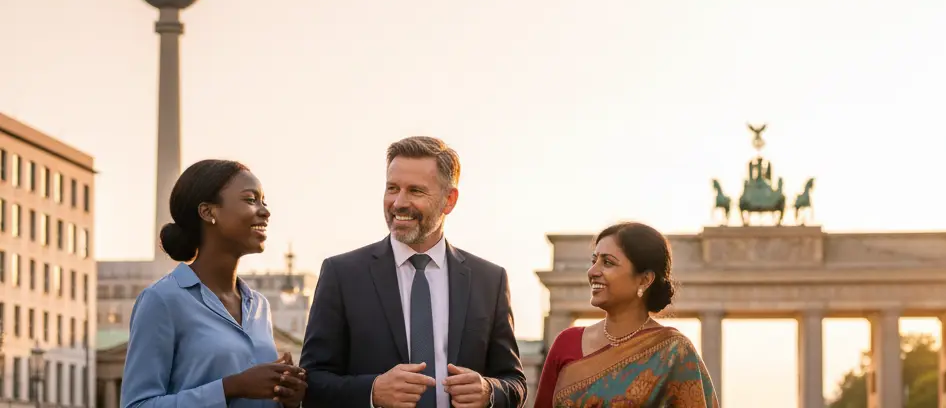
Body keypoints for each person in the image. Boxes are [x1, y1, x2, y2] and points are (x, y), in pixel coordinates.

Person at [300, 136, 527, 408]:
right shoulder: (342, 274)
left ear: (449, 200)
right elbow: (311, 382)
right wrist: (372, 392)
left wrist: (489, 392)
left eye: (415, 191)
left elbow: (515, 382)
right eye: (392, 188)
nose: (398, 203)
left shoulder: (489, 281)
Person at [121, 159, 307, 407]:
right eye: (250, 200)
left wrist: (287, 398)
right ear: (208, 212)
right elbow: (137, 404)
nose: (265, 211)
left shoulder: (259, 306)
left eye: (264, 201)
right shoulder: (162, 300)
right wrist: (231, 387)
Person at [534, 222, 720, 408]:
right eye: (594, 261)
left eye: (607, 262)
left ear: (645, 280)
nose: (592, 272)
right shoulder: (566, 343)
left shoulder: (674, 353)